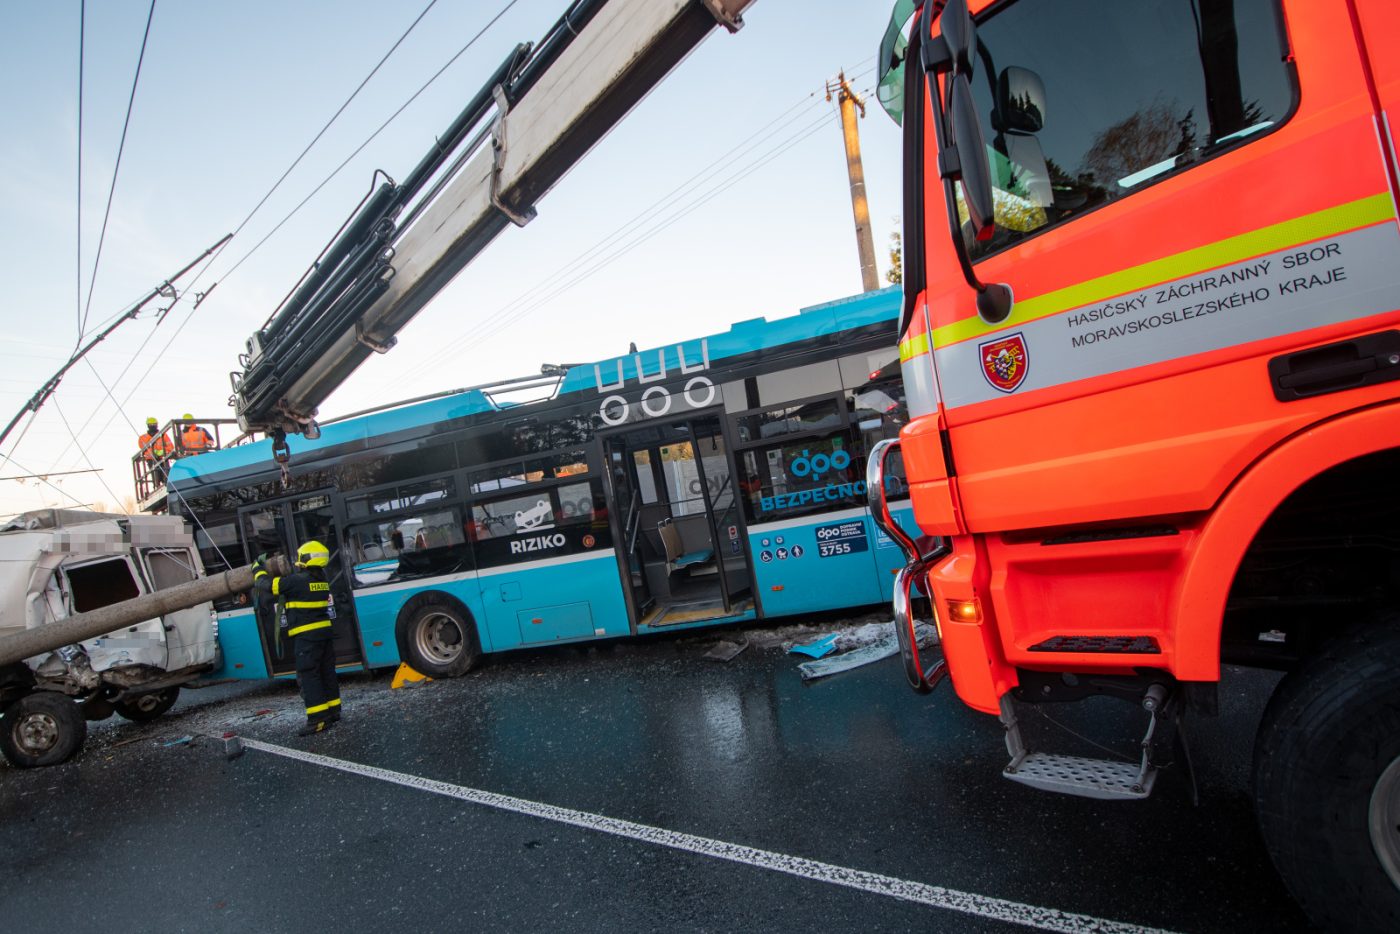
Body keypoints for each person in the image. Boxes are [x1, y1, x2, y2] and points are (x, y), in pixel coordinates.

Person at [253, 541, 342, 736]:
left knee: (309, 675)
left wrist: (257, 569)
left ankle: (318, 719)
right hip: (324, 636)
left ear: (307, 558)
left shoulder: (297, 581)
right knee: (326, 673)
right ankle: (334, 711)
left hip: (307, 638)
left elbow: (265, 585)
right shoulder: (322, 580)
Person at [137, 417, 172, 484]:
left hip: (164, 458)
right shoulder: (143, 438)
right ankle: (157, 485)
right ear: (148, 425)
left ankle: (167, 485)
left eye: (154, 424)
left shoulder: (163, 435)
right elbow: (145, 450)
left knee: (167, 477)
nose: (153, 426)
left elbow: (170, 447)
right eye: (151, 424)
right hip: (151, 460)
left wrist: (161, 453)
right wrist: (154, 454)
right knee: (156, 479)